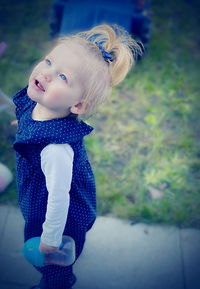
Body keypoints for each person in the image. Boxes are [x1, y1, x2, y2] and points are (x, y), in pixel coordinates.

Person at [12, 23, 144, 289]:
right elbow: (30, 117)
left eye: (63, 77)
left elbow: (59, 199)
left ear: (78, 105)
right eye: (49, 61)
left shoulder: (55, 151)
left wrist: (51, 238)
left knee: (51, 260)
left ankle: (57, 283)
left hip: (56, 209)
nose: (47, 73)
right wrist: (25, 126)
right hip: (39, 188)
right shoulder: (40, 102)